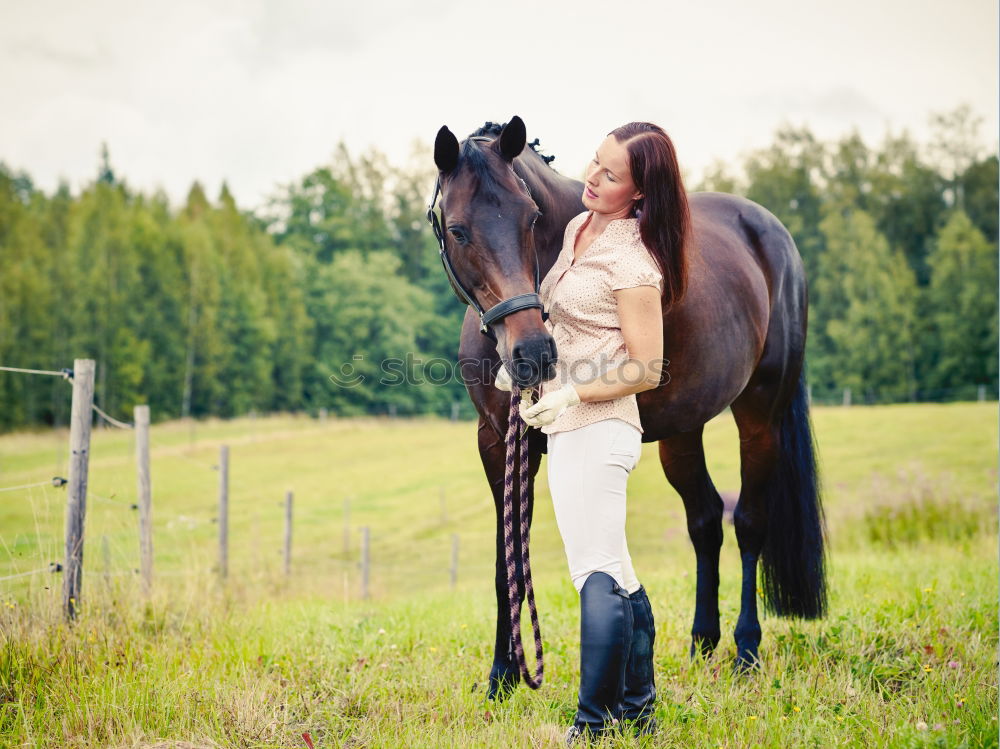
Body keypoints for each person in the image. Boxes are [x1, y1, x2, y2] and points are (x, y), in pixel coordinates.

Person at [495, 121, 690, 743]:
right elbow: (570, 326)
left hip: (601, 426)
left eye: (611, 176)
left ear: (639, 193)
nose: (592, 178)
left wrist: (575, 392)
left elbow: (648, 366)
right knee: (621, 573)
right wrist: (524, 374)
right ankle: (639, 708)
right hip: (569, 422)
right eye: (595, 163)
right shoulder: (579, 229)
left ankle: (591, 725)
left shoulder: (633, 260)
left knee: (594, 573)